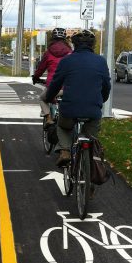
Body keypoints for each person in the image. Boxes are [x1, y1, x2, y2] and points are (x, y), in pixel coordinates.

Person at [45, 30, 111, 167]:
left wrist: (49, 97)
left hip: (70, 109)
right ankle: (92, 164)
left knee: (63, 127)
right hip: (93, 109)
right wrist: (101, 101)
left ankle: (65, 151)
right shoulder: (101, 62)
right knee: (91, 136)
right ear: (93, 45)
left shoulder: (66, 61)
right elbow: (106, 86)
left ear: (74, 44)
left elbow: (56, 84)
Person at [32, 28, 72, 126]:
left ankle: (49, 118)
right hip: (68, 86)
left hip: (53, 86)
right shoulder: (70, 52)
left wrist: (36, 77)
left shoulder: (48, 52)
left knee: (42, 99)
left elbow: (40, 69)